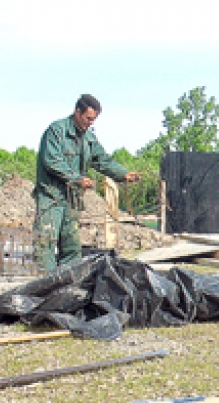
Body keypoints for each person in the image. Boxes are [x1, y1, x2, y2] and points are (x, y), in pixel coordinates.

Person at [33, 94, 142, 272]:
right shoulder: (56, 130)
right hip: (50, 197)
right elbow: (51, 161)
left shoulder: (88, 139)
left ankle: (67, 286)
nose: (91, 123)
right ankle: (45, 286)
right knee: (45, 243)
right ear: (78, 112)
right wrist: (77, 179)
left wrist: (124, 174)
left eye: (94, 119)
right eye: (88, 118)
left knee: (71, 246)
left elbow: (103, 161)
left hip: (71, 200)